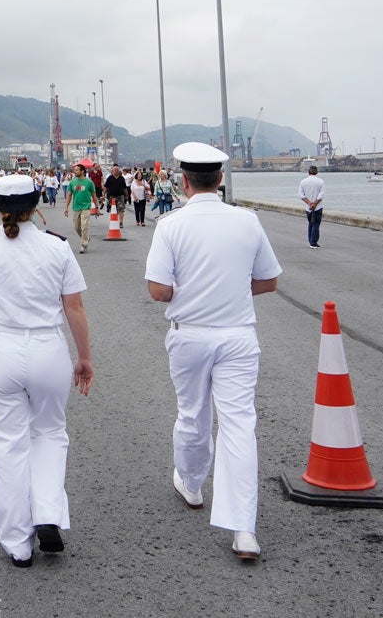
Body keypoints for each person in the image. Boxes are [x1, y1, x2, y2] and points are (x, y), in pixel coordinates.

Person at [143, 142, 280, 562]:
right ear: (220, 179)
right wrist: (234, 288)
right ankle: (244, 529)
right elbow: (269, 281)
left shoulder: (170, 225)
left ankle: (192, 483)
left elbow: (158, 290)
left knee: (192, 412)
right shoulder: (248, 221)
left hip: (190, 335)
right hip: (238, 335)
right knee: (239, 424)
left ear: (184, 181)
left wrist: (189, 292)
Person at [0, 175, 94, 567]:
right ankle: (49, 513)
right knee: (50, 432)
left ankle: (17, 540)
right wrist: (84, 357)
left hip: (2, 348)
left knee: (7, 443)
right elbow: (75, 308)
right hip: (47, 347)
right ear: (37, 205)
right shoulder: (57, 248)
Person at [62, 161, 98, 253]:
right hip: (76, 207)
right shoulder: (72, 183)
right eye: (74, 170)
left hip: (86, 207)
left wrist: (97, 208)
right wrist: (66, 208)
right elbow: (69, 195)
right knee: (77, 227)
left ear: (82, 171)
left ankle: (83, 244)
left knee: (84, 226)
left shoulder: (89, 182)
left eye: (77, 170)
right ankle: (86, 237)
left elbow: (94, 196)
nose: (75, 171)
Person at [299, 165, 325, 248]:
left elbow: (301, 195)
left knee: (310, 223)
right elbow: (321, 195)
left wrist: (310, 203)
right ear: (317, 172)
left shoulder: (303, 182)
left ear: (308, 172)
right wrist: (315, 203)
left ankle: (310, 240)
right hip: (318, 207)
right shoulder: (321, 181)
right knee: (316, 224)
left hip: (308, 207)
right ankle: (313, 243)